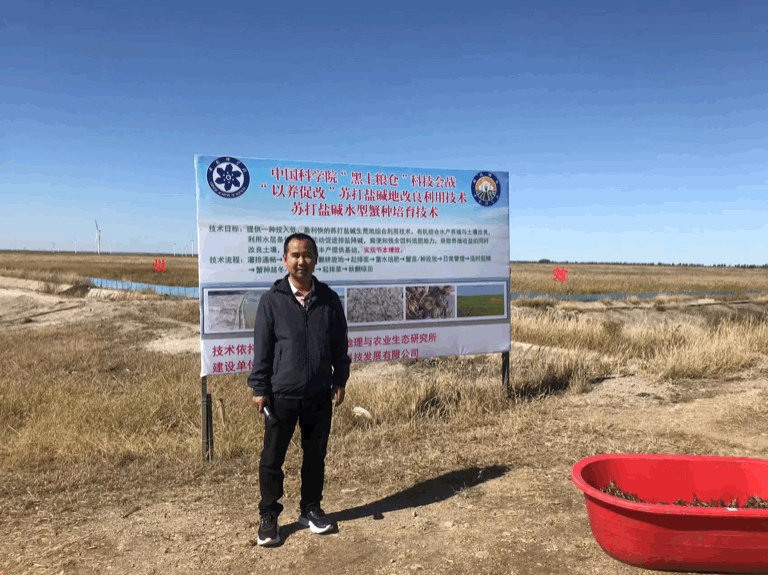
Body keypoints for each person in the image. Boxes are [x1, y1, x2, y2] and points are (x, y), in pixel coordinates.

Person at [247, 232, 350, 546]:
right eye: (295, 255)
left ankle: (311, 509)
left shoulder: (329, 299)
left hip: (319, 392)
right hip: (282, 394)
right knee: (272, 459)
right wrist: (260, 387)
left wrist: (340, 379)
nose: (301, 261)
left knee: (315, 456)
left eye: (307, 255)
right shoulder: (272, 300)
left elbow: (340, 344)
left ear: (315, 260)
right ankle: (269, 516)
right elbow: (262, 349)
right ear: (285, 260)